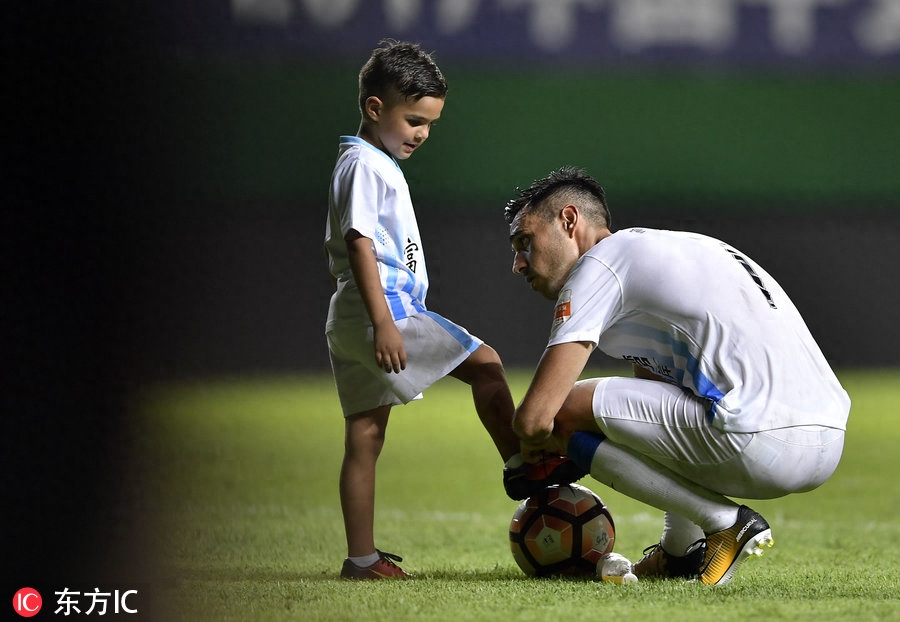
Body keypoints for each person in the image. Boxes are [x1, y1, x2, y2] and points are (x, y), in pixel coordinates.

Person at [502, 166, 850, 585]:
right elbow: (655, 403)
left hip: (759, 435)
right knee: (634, 411)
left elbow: (537, 417)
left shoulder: (601, 264)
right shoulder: (676, 249)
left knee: (564, 413)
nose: (518, 265)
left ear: (569, 221)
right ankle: (681, 554)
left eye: (526, 242)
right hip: (827, 444)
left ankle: (724, 522)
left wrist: (534, 453)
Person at [325, 39, 530, 580]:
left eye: (431, 124)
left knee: (365, 438)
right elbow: (359, 242)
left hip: (356, 313)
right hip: (385, 308)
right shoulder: (365, 165)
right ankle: (523, 466)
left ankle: (362, 559)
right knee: (486, 362)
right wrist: (385, 323)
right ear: (375, 108)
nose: (422, 133)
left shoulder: (367, 161)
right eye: (414, 119)